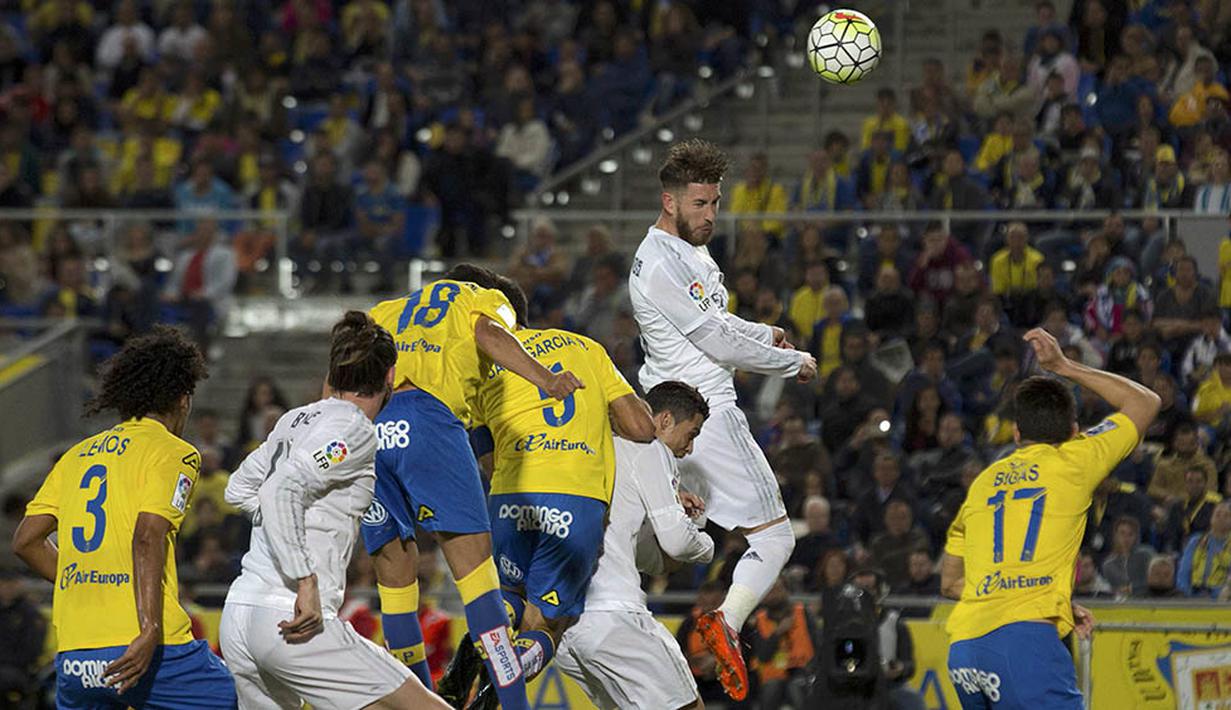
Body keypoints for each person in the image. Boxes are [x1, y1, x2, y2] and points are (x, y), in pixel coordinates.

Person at [628, 139, 817, 701]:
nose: (710, 215)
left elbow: (716, 318)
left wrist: (764, 332)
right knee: (777, 538)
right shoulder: (659, 261)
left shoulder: (689, 251)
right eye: (699, 205)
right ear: (669, 201)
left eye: (715, 203)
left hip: (675, 414)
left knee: (662, 542)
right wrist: (791, 362)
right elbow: (712, 339)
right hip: (703, 415)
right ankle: (726, 624)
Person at [360, 264, 581, 710]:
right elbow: (490, 333)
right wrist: (546, 378)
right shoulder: (482, 299)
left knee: (396, 586)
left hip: (370, 430)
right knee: (480, 585)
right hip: (430, 421)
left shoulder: (385, 309)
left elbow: (346, 370)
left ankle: (421, 704)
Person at [219, 312, 448, 708]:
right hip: (292, 615)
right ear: (390, 376)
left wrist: (282, 520)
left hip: (240, 614)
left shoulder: (294, 419)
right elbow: (280, 490)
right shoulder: (354, 429)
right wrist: (303, 578)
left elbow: (238, 488)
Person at [451, 278, 655, 706]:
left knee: (506, 600)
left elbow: (485, 459)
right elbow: (641, 428)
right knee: (545, 625)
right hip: (575, 500)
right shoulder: (587, 349)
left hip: (511, 496)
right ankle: (494, 692)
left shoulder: (491, 367)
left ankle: (471, 654)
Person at [11, 327, 237, 707]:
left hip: (76, 653)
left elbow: (26, 541)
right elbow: (147, 534)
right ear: (183, 400)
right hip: (149, 648)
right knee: (244, 700)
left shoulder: (77, 455)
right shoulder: (174, 452)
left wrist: (81, 581)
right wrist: (149, 627)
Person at [942, 326, 1161, 707]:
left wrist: (1053, 602)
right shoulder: (1076, 459)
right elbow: (1144, 402)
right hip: (1024, 646)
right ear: (1074, 430)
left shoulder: (983, 483)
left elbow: (949, 582)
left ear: (1014, 432)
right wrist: (1065, 365)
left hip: (965, 648)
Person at [554, 382, 714, 710]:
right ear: (665, 420)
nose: (690, 448)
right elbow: (678, 542)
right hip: (614, 615)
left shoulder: (592, 446)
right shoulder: (650, 449)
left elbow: (645, 555)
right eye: (692, 433)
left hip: (567, 627)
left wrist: (674, 526)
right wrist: (706, 544)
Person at [750, 576, 817, 710]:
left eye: (777, 589)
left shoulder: (803, 613)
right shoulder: (759, 620)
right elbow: (763, 656)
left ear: (786, 591)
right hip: (772, 678)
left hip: (802, 673)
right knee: (771, 688)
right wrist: (778, 632)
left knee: (797, 686)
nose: (773, 594)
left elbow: (818, 645)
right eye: (769, 591)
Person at [1177, 501, 1231, 598]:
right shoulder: (1196, 541)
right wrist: (1185, 594)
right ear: (1211, 519)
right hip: (1193, 591)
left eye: (1226, 516)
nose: (1221, 518)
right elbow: (1184, 571)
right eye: (1217, 514)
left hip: (1221, 594)